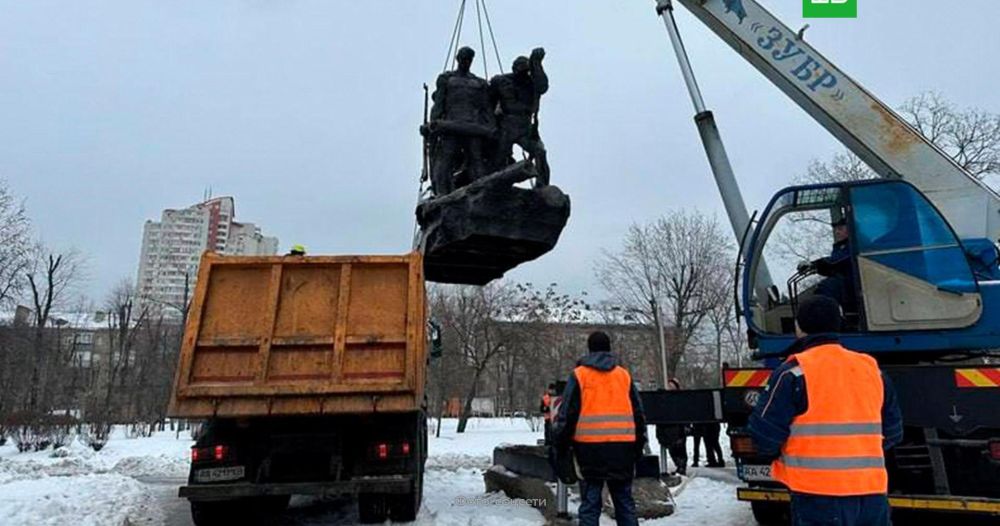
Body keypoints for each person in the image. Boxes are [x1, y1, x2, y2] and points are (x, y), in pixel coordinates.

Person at [748, 295, 903, 526]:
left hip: (816, 495)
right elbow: (893, 432)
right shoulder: (872, 370)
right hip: (871, 494)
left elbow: (764, 435)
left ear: (799, 327)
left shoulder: (794, 372)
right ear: (838, 324)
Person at [553, 331, 647, 526]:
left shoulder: (579, 375)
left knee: (590, 503)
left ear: (589, 349)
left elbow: (568, 413)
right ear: (609, 349)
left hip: (589, 450)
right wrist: (639, 445)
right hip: (623, 449)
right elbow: (638, 414)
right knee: (624, 501)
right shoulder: (623, 375)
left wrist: (561, 444)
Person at [425, 46, 494, 196]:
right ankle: (441, 195)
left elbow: (486, 108)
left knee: (476, 161)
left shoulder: (479, 83)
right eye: (463, 58)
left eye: (468, 59)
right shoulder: (447, 79)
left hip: (473, 127)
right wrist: (433, 125)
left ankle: (482, 195)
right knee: (445, 161)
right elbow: (439, 104)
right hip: (451, 127)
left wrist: (490, 127)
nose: (466, 62)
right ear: (457, 59)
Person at [489, 48, 550, 185]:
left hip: (526, 126)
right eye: (520, 68)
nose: (522, 72)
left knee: (539, 152)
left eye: (526, 69)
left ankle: (542, 185)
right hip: (507, 124)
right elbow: (489, 103)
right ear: (514, 68)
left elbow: (543, 87)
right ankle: (493, 185)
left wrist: (537, 62)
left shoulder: (532, 84)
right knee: (499, 158)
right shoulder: (501, 81)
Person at [655, 378, 688, 477]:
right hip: (668, 430)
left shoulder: (680, 398)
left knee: (679, 448)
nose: (670, 387)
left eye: (672, 385)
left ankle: (681, 467)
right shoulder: (666, 397)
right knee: (672, 449)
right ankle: (679, 466)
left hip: (678, 429)